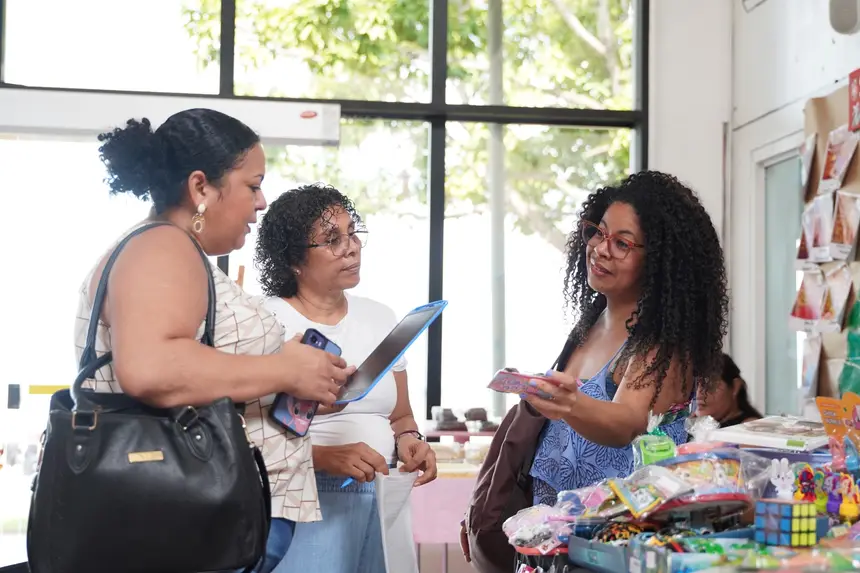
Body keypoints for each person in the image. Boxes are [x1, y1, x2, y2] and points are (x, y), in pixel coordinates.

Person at [83, 109, 354, 573]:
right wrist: (285, 370)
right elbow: (151, 368)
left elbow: (198, 373)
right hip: (189, 521)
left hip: (201, 518)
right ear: (200, 188)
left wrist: (296, 385)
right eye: (252, 184)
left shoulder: (173, 251)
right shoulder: (163, 248)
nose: (262, 201)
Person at [254, 183, 438, 573]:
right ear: (294, 261)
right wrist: (321, 459)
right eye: (332, 240)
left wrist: (411, 442)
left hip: (383, 493)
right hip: (302, 498)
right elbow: (245, 433)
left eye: (353, 233)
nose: (351, 247)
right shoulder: (264, 321)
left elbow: (401, 417)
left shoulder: (380, 317)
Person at [696, 353, 763, 427]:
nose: (698, 394)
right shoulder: (697, 427)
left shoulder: (750, 427)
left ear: (735, 387)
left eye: (710, 385)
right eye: (694, 386)